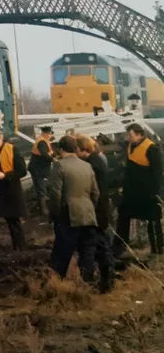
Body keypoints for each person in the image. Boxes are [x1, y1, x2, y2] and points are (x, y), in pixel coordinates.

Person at [48, 135, 99, 282]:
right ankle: (88, 283)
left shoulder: (59, 166)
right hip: (88, 214)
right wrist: (90, 207)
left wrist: (55, 214)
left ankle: (57, 283)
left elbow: (55, 194)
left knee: (62, 251)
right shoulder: (87, 165)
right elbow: (95, 192)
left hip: (68, 215)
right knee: (87, 251)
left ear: (61, 149)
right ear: (75, 148)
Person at [113, 123, 164, 260]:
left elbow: (157, 172)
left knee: (153, 221)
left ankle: (157, 250)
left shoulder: (151, 148)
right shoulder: (131, 147)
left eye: (130, 135)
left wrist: (155, 192)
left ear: (140, 134)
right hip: (131, 193)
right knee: (123, 216)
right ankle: (119, 247)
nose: (127, 138)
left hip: (147, 194)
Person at [77, 135, 115, 292]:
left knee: (96, 245)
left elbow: (95, 192)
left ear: (82, 150)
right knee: (101, 244)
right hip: (102, 210)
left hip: (96, 211)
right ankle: (107, 279)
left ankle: (100, 280)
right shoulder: (97, 160)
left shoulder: (91, 165)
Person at [29, 126, 55, 216]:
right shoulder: (42, 143)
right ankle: (44, 210)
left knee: (40, 188)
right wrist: (53, 159)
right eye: (50, 134)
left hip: (38, 169)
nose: (50, 136)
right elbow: (45, 155)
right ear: (45, 133)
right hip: (38, 170)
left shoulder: (42, 141)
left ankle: (39, 207)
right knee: (41, 189)